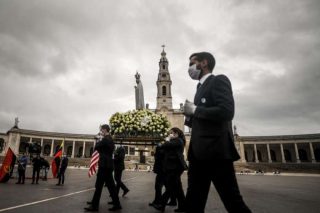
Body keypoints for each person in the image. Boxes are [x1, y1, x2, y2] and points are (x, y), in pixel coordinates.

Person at [183, 52, 251, 213]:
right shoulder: (199, 88)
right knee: (193, 201)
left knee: (233, 201)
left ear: (204, 63)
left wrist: (196, 109)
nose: (189, 68)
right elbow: (203, 118)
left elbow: (227, 111)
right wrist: (190, 116)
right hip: (198, 153)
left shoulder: (218, 80)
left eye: (192, 63)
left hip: (216, 152)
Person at [84, 124, 121, 212]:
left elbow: (96, 147)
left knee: (99, 186)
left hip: (104, 165)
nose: (101, 131)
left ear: (105, 130)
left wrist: (98, 141)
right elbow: (100, 148)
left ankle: (94, 206)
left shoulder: (106, 139)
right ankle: (117, 204)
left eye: (102, 130)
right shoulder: (110, 139)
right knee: (111, 186)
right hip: (108, 165)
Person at [153, 127, 187, 212]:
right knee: (178, 188)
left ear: (176, 133)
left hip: (175, 168)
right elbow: (163, 150)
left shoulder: (178, 140)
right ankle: (183, 206)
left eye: (171, 133)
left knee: (170, 187)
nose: (170, 134)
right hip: (174, 167)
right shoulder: (175, 141)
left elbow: (166, 145)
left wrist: (166, 140)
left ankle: (162, 204)